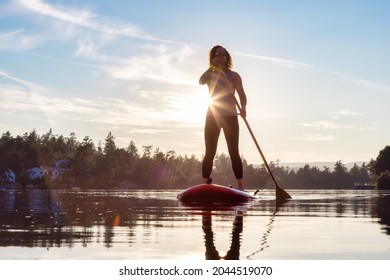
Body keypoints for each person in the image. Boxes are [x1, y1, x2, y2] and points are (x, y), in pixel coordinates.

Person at [199, 45, 247, 190]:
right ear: (212, 57)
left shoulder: (234, 76)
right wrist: (211, 67)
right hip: (212, 115)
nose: (220, 56)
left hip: (230, 116)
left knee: (234, 152)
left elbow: (242, 95)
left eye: (223, 53)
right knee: (210, 151)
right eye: (217, 54)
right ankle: (204, 184)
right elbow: (201, 81)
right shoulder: (210, 75)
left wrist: (243, 108)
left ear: (227, 57)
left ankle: (240, 185)